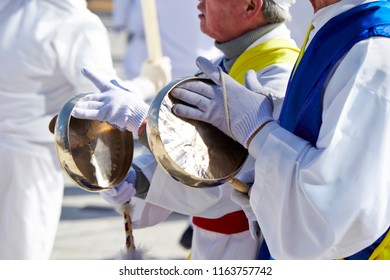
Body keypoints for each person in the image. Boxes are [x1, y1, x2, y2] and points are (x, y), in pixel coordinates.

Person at [72, 0, 300, 259]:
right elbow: (198, 145)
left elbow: (233, 179)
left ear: (250, 6)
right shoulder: (226, 61)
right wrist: (139, 178)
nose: (199, 3)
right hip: (213, 245)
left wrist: (145, 124)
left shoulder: (280, 73)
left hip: (246, 250)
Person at [169, 0, 390, 259]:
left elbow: (338, 213)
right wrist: (265, 182)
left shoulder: (371, 47)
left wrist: (260, 131)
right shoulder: (334, 24)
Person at [0, 0, 170, 259]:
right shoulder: (78, 26)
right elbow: (104, 102)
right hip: (31, 164)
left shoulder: (11, 9)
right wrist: (148, 83)